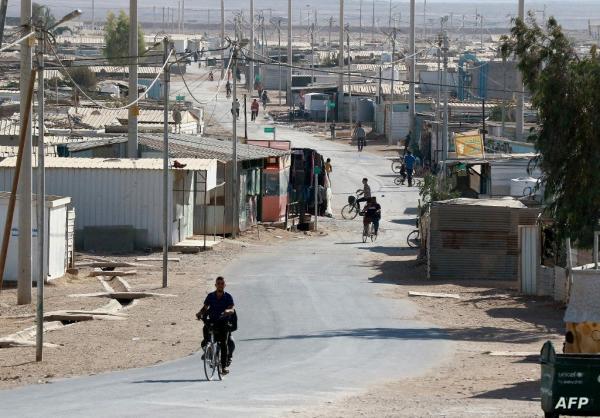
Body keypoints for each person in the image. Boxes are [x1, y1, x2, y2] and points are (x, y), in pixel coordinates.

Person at [196, 276, 236, 375]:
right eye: (218, 283)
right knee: (205, 330)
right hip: (212, 321)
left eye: (222, 283)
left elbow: (232, 309)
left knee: (223, 344)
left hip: (223, 322)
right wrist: (200, 313)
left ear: (224, 285)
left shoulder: (228, 297)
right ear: (215, 285)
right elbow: (205, 308)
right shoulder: (210, 296)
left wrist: (228, 311)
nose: (220, 285)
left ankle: (223, 367)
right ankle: (208, 351)